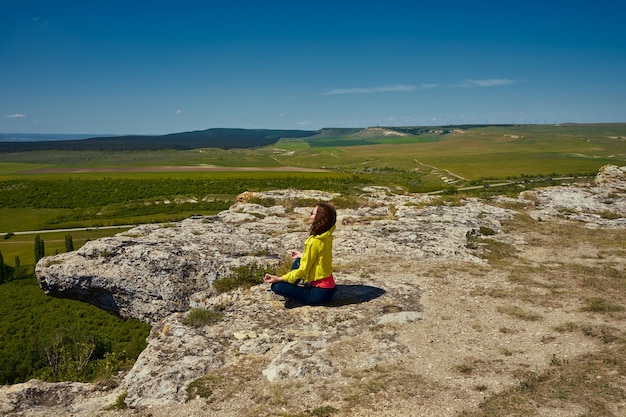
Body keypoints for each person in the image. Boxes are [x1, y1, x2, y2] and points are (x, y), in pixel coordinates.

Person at [264, 202, 337, 307]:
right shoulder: (326, 236)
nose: (310, 215)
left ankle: (289, 289)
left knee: (276, 286)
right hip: (329, 288)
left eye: (312, 213)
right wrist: (303, 256)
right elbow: (321, 257)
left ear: (320, 218)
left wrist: (279, 278)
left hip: (319, 294)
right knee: (299, 261)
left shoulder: (314, 242)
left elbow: (303, 271)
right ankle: (291, 285)